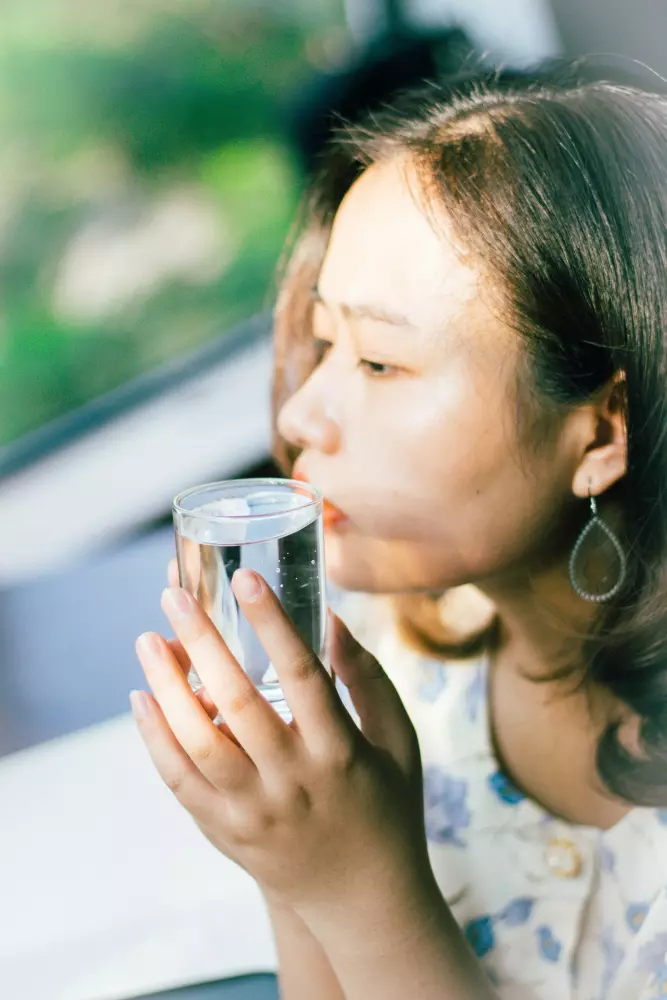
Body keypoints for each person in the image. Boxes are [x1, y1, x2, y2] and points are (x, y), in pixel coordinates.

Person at [130, 68, 667, 1000]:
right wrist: (291, 857)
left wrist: (359, 883)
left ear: (600, 432)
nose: (302, 411)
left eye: (379, 361)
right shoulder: (400, 660)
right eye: (325, 341)